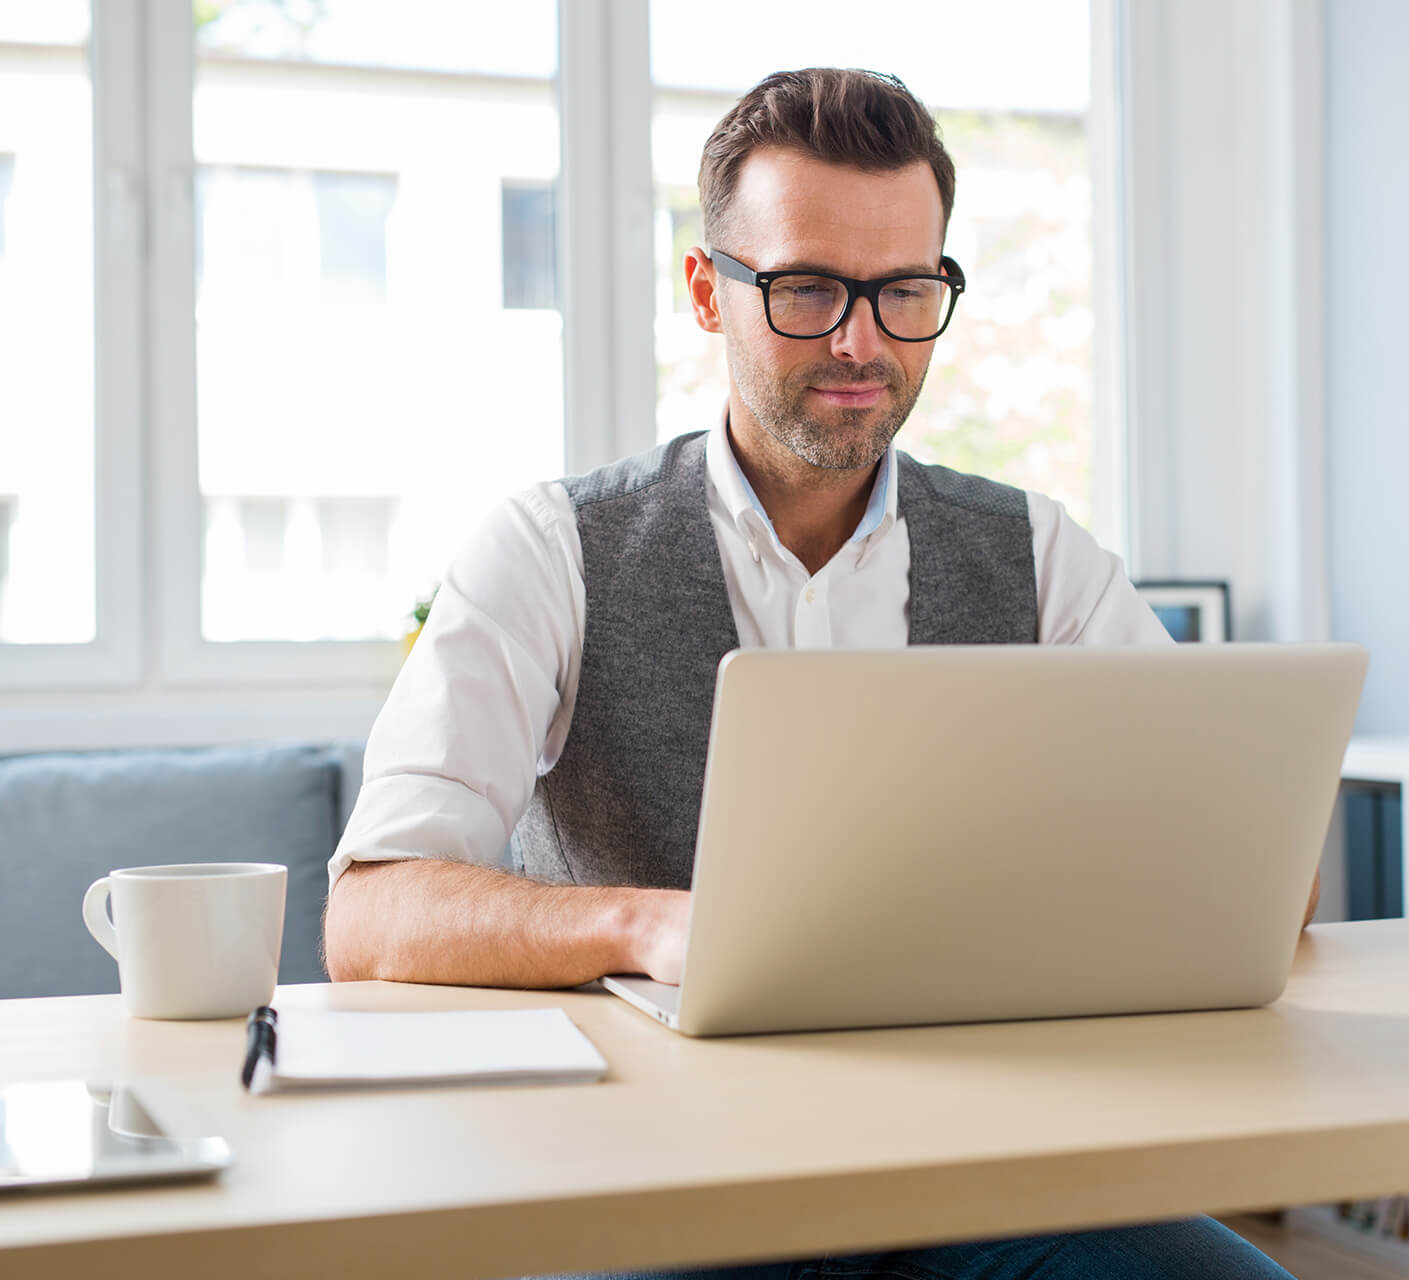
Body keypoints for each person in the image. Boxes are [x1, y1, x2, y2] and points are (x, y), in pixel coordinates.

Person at [324, 67, 1309, 1280]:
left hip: (978, 1178)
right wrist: (652, 924)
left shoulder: (1038, 554)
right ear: (708, 290)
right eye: (806, 289)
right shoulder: (550, 549)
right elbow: (372, 913)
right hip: (638, 1179)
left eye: (905, 291)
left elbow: (1264, 877)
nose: (861, 341)